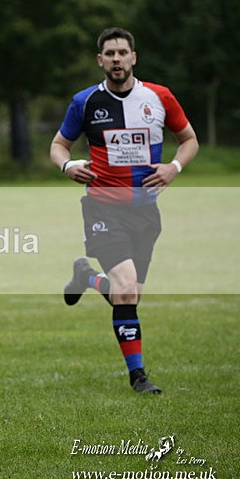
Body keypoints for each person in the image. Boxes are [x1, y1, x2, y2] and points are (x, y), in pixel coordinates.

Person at [49, 27, 199, 394]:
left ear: (134, 57)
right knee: (127, 288)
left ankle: (87, 277)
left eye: (122, 52)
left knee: (126, 295)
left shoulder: (159, 97)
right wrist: (68, 166)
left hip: (146, 212)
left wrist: (174, 167)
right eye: (110, 53)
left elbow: (189, 140)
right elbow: (59, 145)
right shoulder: (85, 101)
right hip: (102, 207)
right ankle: (138, 377)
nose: (116, 58)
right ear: (100, 60)